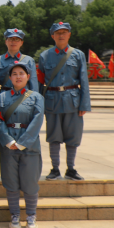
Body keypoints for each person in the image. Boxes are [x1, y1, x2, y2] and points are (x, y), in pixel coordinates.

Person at [0, 62, 45, 228]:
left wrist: (23, 142)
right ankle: (14, 216)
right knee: (11, 182)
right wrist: (7, 140)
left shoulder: (36, 97)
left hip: (30, 147)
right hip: (8, 146)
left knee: (30, 182)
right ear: (10, 78)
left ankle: (31, 216)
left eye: (21, 73)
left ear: (28, 77)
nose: (18, 76)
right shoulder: (1, 98)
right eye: (14, 74)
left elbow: (37, 120)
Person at [38, 22, 91, 181]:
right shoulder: (45, 56)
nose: (61, 35)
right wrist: (39, 105)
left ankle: (71, 169)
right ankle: (55, 169)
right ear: (52, 35)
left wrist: (84, 104)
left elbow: (84, 80)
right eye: (57, 32)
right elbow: (40, 82)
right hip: (52, 101)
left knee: (73, 137)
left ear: (69, 35)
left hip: (72, 101)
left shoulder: (78, 54)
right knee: (53, 136)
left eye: (64, 32)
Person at [0, 28, 39, 93]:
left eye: (17, 39)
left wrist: (33, 100)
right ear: (6, 42)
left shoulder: (29, 61)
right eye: (11, 39)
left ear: (21, 42)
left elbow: (33, 84)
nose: (13, 42)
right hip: (4, 98)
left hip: (23, 98)